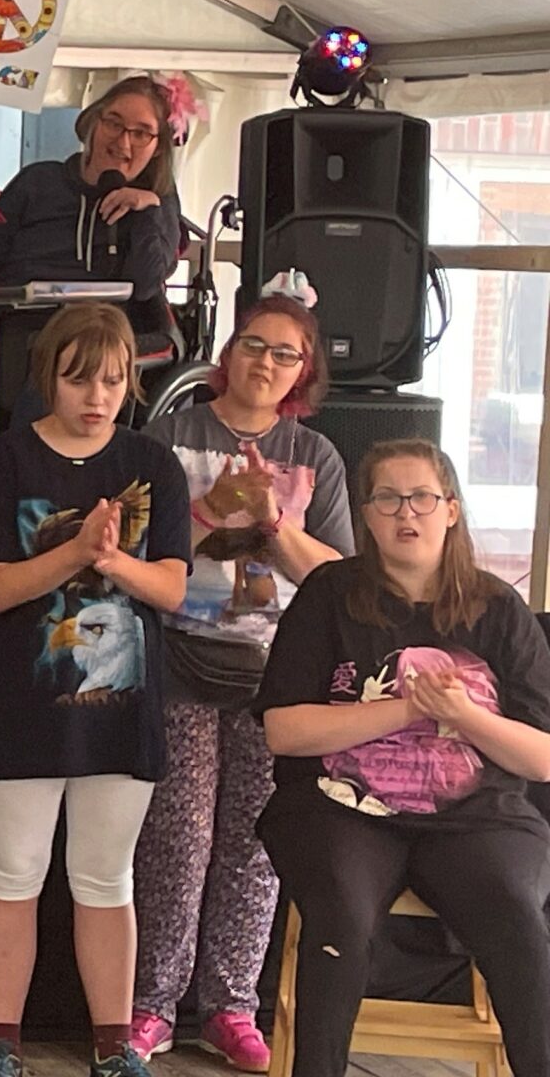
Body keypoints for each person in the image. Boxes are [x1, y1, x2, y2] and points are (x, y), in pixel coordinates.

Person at [255, 441, 550, 1077]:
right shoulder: (329, 593)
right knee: (340, 919)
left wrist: (466, 717)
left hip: (476, 818)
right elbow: (283, 730)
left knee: (518, 920)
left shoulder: (500, 610)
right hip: (342, 809)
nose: (404, 512)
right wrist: (405, 709)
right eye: (387, 498)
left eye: (421, 497)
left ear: (451, 510)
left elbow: (542, 759)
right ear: (366, 515)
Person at [0, 302, 192, 1077]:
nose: (97, 396)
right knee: (12, 873)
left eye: (114, 381)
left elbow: (173, 590)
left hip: (120, 708)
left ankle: (113, 1048)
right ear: (48, 377)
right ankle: (0, 1044)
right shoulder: (3, 462)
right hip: (19, 707)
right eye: (80, 378)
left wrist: (114, 563)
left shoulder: (153, 464)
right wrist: (77, 552)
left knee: (105, 879)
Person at [129, 284, 354, 1068]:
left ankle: (231, 1004)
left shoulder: (315, 456)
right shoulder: (170, 435)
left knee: (255, 846)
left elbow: (336, 576)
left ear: (303, 372)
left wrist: (274, 526)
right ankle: (153, 1003)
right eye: (254, 345)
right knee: (178, 838)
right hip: (181, 656)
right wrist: (218, 507)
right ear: (226, 355)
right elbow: (136, 554)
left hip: (277, 673)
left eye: (285, 353)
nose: (266, 362)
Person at [0, 77, 184, 424]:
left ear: (159, 147)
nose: (123, 141)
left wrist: (147, 210)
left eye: (140, 133)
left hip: (92, 336)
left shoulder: (155, 201)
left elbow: (147, 283)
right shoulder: (38, 181)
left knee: (50, 375)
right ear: (94, 121)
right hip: (10, 322)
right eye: (114, 123)